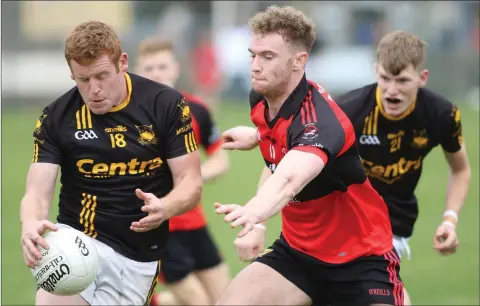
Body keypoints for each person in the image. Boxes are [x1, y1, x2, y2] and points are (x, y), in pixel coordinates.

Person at [215, 5, 404, 306]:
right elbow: (279, 152)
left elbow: (289, 178)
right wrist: (256, 136)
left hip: (361, 259)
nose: (255, 66)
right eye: (253, 54)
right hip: (298, 254)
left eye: (267, 57)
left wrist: (253, 214)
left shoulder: (321, 123)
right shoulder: (262, 100)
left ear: (298, 61)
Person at [20, 21, 203, 306]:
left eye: (102, 76)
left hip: (140, 255)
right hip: (77, 240)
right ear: (72, 74)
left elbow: (190, 182)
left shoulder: (165, 104)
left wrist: (166, 207)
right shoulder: (57, 117)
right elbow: (37, 191)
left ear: (123, 62)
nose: (94, 89)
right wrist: (30, 223)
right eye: (83, 79)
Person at [334, 30, 471, 305]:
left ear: (422, 78)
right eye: (385, 78)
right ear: (375, 72)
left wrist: (449, 220)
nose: (392, 90)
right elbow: (295, 158)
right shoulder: (349, 111)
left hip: (391, 224)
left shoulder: (441, 115)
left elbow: (461, 170)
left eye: (403, 81)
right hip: (340, 220)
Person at [134, 37, 231, 305]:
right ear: (138, 72)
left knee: (228, 299)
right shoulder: (127, 118)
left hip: (195, 222)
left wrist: (189, 180)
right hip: (157, 228)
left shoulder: (197, 110)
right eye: (149, 68)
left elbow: (220, 160)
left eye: (162, 66)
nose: (156, 73)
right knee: (198, 302)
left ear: (176, 68)